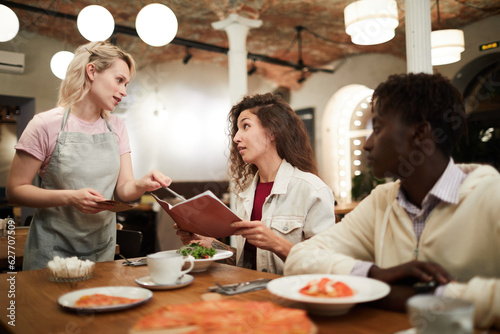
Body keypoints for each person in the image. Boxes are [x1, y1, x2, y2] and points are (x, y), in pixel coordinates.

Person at [285, 72, 500, 329]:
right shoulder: (382, 202)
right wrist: (375, 275)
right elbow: (299, 260)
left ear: (419, 133)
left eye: (377, 128)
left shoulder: (491, 196)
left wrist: (419, 298)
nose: (367, 144)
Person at [6, 41, 171, 271]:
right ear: (92, 71)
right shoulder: (45, 124)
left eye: (127, 84)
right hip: (51, 255)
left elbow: (124, 190)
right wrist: (71, 197)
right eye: (119, 80)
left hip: (102, 251)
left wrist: (142, 184)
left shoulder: (117, 127)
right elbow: (15, 190)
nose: (124, 91)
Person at [176, 93, 335, 274]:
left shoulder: (312, 190)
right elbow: (248, 262)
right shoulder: (245, 192)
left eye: (245, 126)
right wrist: (209, 243)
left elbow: (324, 265)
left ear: (273, 131)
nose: (236, 138)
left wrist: (276, 243)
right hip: (251, 293)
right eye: (236, 130)